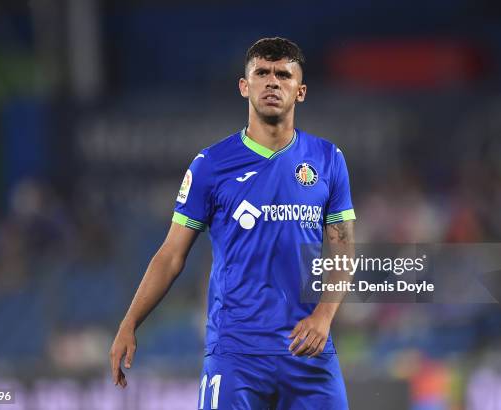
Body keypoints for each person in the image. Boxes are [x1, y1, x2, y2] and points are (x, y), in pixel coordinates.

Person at [110, 37, 355, 409]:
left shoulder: (327, 159)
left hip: (308, 350)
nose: (272, 82)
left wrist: (324, 315)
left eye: (283, 75)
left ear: (300, 91)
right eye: (262, 73)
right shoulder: (210, 165)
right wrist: (129, 323)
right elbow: (171, 256)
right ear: (245, 86)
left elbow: (343, 248)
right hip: (237, 353)